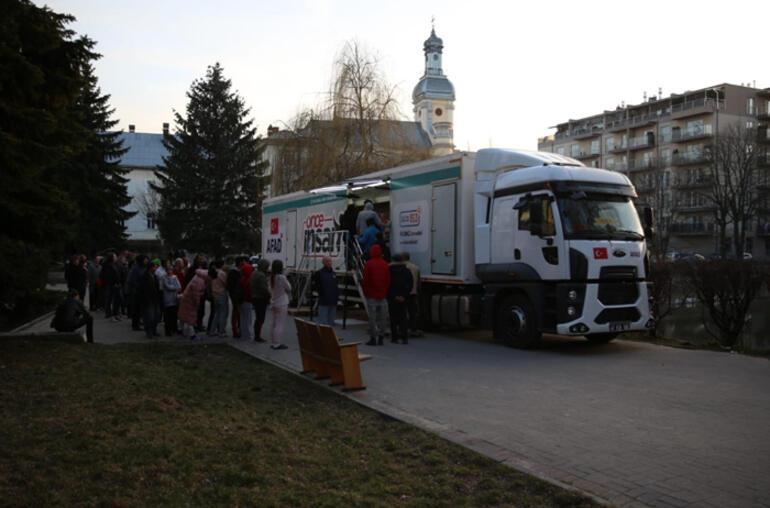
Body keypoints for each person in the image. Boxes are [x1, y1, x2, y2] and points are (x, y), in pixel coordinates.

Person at [362, 244, 390, 346]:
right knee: (383, 318)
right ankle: (381, 337)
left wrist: (366, 292)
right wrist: (385, 291)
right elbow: (388, 280)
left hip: (372, 295)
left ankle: (373, 338)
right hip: (382, 295)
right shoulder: (385, 264)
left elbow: (366, 280)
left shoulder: (369, 264)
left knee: (372, 318)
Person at [388, 254, 413, 344]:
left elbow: (388, 284)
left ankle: (394, 338)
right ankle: (404, 337)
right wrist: (404, 296)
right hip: (403, 298)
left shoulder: (389, 270)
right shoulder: (407, 271)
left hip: (392, 298)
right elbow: (410, 284)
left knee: (393, 318)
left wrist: (394, 296)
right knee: (403, 317)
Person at [178, 268, 209, 340]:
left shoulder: (198, 277)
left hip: (186, 297)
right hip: (190, 300)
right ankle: (192, 335)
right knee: (190, 318)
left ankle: (180, 329)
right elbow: (196, 294)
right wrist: (197, 303)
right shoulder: (200, 281)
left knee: (183, 315)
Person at [268, 259, 291, 350]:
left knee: (273, 323)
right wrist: (286, 276)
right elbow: (289, 288)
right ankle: (277, 343)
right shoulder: (281, 277)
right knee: (280, 324)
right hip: (282, 302)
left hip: (273, 301)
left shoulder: (271, 276)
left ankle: (273, 342)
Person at [137, 260, 161, 338]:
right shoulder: (144, 277)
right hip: (148, 299)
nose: (156, 269)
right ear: (150, 268)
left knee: (156, 316)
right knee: (149, 316)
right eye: (154, 267)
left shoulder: (155, 276)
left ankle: (154, 330)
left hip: (155, 299)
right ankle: (149, 331)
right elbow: (143, 289)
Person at [402, 252, 423, 337]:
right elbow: (418, 282)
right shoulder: (416, 267)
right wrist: (418, 291)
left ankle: (404, 327)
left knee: (403, 311)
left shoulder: (402, 267)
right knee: (412, 312)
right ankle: (413, 328)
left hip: (404, 293)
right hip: (413, 293)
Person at [313, 256, 338, 326]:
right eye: (327, 261)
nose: (329, 263)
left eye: (330, 261)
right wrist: (322, 294)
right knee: (322, 321)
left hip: (333, 300)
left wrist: (337, 297)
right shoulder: (319, 273)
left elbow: (336, 286)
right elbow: (317, 286)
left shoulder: (334, 273)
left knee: (331, 321)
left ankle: (330, 331)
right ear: (323, 262)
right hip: (324, 300)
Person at [159, 260, 182, 337]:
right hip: (167, 299)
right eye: (168, 270)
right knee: (167, 317)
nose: (170, 271)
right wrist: (175, 287)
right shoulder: (163, 277)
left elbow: (179, 287)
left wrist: (174, 288)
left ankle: (174, 329)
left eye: (171, 269)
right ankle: (168, 331)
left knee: (174, 316)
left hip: (174, 299)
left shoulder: (175, 277)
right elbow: (168, 287)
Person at [250, 259, 270, 342]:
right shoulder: (261, 275)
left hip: (254, 296)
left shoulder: (254, 273)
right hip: (261, 298)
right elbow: (264, 288)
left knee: (258, 317)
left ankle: (257, 335)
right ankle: (257, 336)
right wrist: (269, 295)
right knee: (260, 318)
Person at [210, 259, 229, 337]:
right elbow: (226, 283)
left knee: (217, 313)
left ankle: (212, 330)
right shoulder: (222, 273)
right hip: (221, 294)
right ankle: (221, 331)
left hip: (215, 294)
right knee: (223, 313)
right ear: (222, 265)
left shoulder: (213, 272)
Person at [226, 258, 243, 338]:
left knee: (237, 312)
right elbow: (232, 285)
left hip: (235, 294)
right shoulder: (234, 272)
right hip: (236, 295)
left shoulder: (233, 272)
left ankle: (237, 329)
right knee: (236, 312)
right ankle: (235, 330)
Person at [239, 258, 254, 341]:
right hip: (247, 301)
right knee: (248, 319)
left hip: (241, 300)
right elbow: (249, 292)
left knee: (243, 318)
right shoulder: (249, 280)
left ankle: (243, 334)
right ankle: (247, 335)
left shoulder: (241, 278)